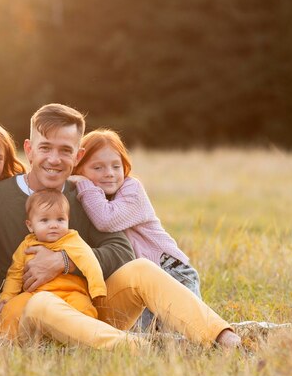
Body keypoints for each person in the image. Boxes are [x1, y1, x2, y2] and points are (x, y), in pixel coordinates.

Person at [0, 103, 241, 349]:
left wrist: (65, 260)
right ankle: (138, 348)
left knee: (141, 269)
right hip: (28, 317)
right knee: (42, 303)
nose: (54, 159)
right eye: (45, 148)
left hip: (86, 309)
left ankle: (224, 339)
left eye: (65, 150)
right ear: (28, 149)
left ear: (78, 155)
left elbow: (122, 252)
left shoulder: (84, 195)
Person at [69, 128, 201, 330]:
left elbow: (106, 219)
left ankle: (253, 331)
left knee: (191, 333)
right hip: (139, 283)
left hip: (169, 272)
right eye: (98, 168)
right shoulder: (91, 198)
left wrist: (85, 184)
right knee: (146, 337)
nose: (110, 174)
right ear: (79, 168)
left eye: (116, 166)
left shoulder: (132, 190)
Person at [0, 189, 109, 341]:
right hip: (34, 295)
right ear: (30, 226)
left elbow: (90, 262)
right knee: (12, 309)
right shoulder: (26, 246)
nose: (53, 225)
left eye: (60, 220)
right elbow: (15, 273)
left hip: (70, 293)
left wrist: (98, 290)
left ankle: (86, 340)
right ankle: (6, 342)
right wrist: (7, 297)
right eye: (44, 220)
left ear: (68, 220)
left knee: (84, 310)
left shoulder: (72, 240)